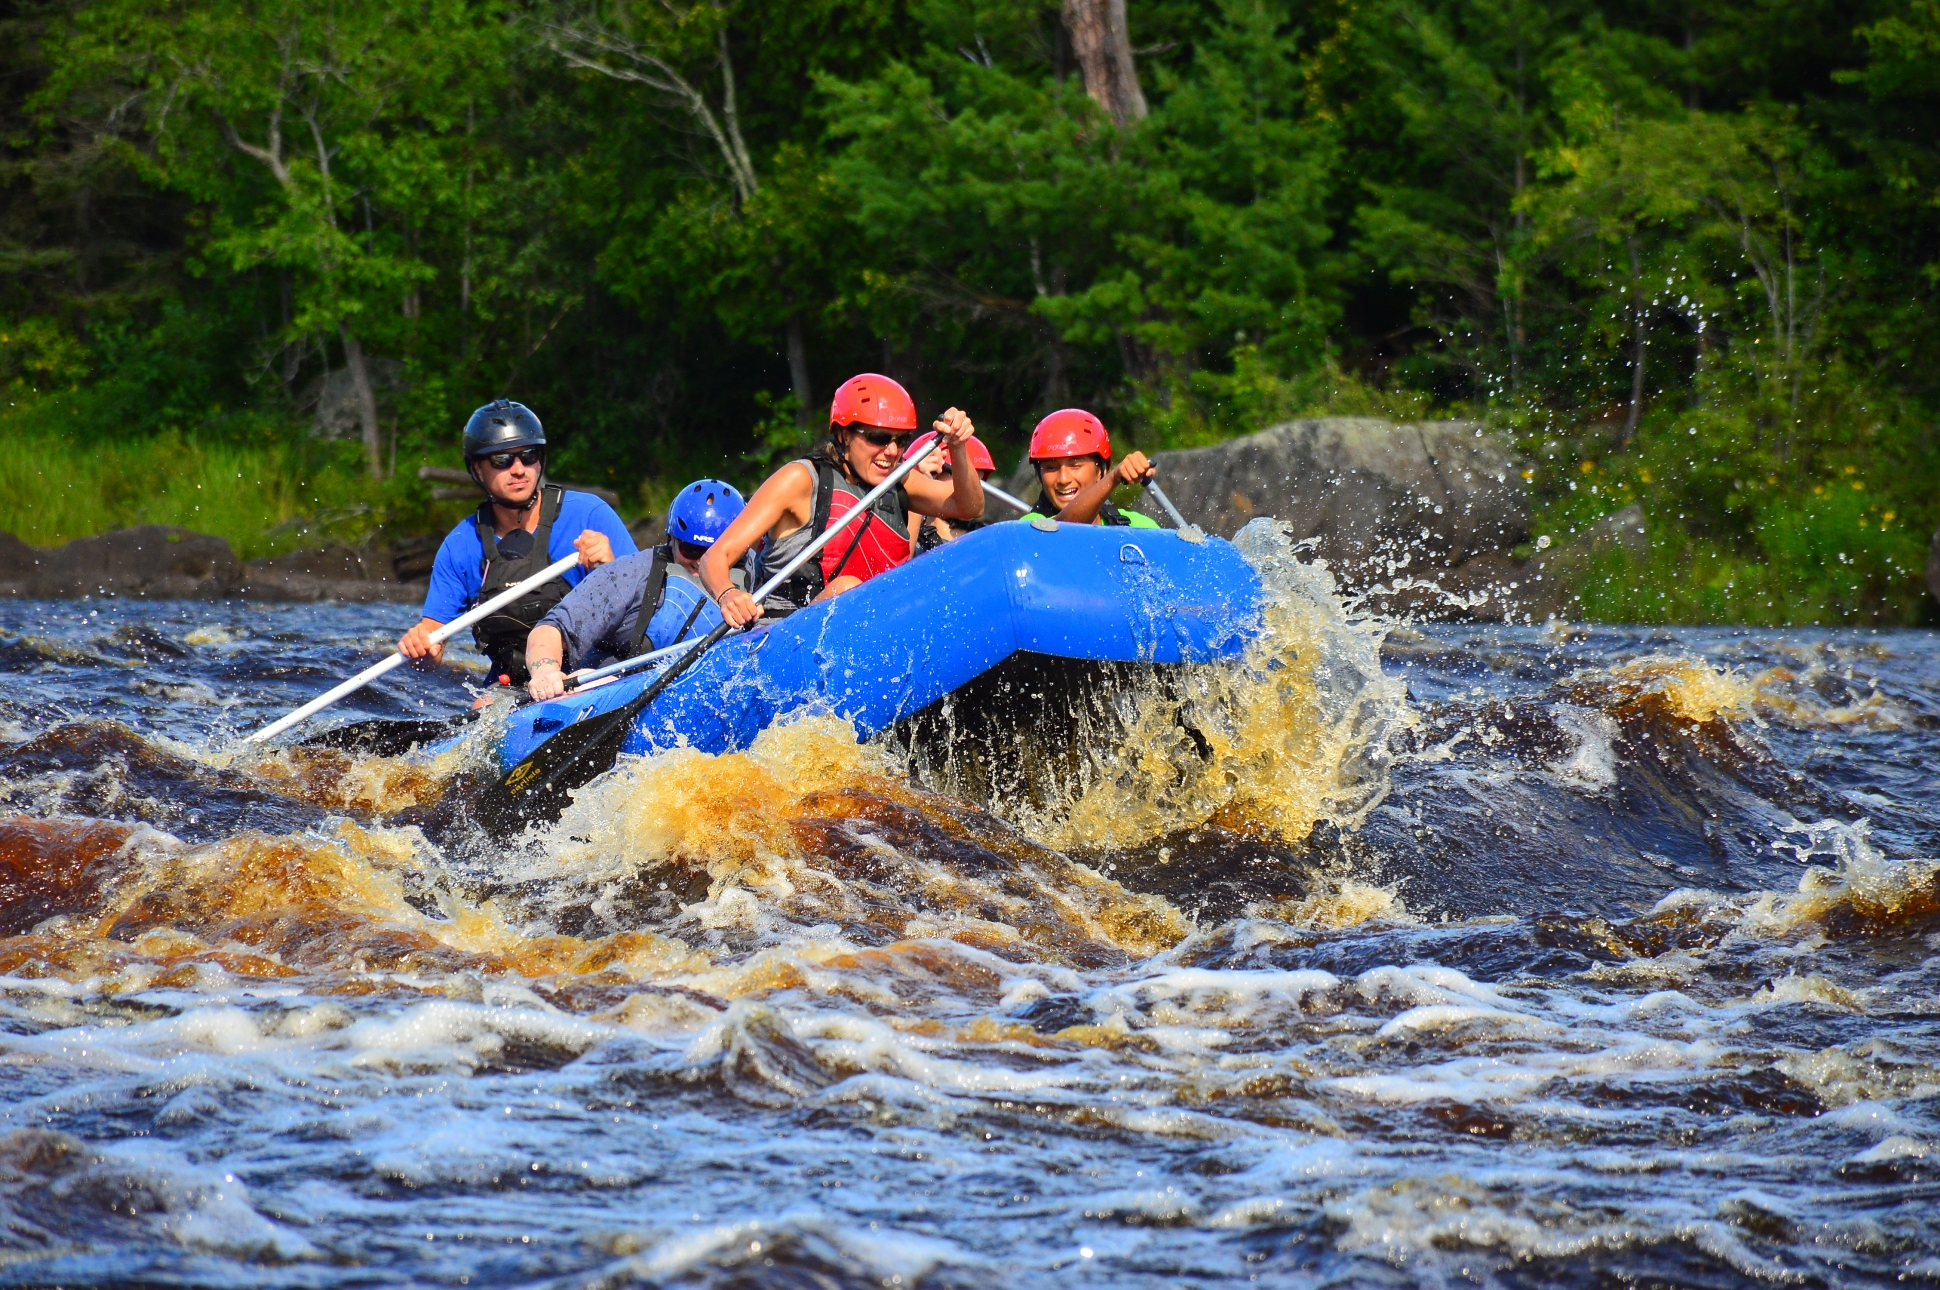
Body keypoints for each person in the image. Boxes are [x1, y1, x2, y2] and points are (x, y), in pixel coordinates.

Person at [700, 373, 984, 625]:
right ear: (845, 435)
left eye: (901, 440)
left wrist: (958, 448)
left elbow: (969, 507)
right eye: (879, 438)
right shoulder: (801, 479)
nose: (892, 451)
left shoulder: (902, 480)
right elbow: (716, 556)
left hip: (876, 630)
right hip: (785, 632)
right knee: (847, 588)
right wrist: (729, 594)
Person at [398, 399, 635, 686]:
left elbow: (646, 609)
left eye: (528, 455)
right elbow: (432, 652)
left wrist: (611, 568)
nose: (519, 469)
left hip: (594, 675)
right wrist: (421, 649)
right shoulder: (459, 546)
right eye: (502, 460)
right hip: (511, 687)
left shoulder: (590, 515)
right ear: (477, 469)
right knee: (481, 706)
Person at [524, 479, 745, 701]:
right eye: (691, 550)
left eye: (717, 552)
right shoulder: (632, 573)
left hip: (718, 690)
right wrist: (545, 670)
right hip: (625, 691)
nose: (702, 563)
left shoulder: (756, 574)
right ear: (672, 539)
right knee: (588, 679)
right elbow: (552, 628)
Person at [1023, 408, 1161, 529]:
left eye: (1075, 466)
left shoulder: (1139, 526)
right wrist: (1113, 478)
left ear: (1101, 470)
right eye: (1051, 468)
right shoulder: (1029, 527)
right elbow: (1064, 531)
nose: (1063, 479)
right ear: (1039, 475)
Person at [904, 431, 999, 555]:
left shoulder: (987, 538)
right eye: (961, 483)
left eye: (978, 482)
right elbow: (902, 561)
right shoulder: (913, 538)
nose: (971, 491)